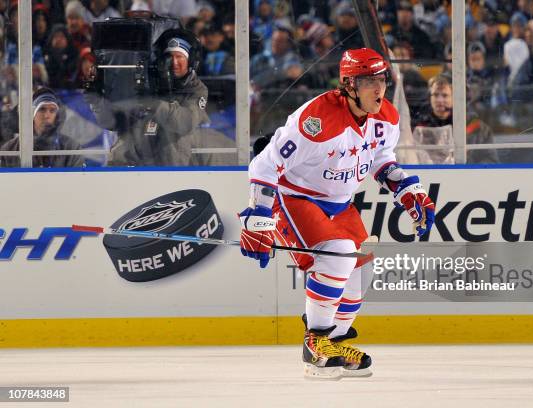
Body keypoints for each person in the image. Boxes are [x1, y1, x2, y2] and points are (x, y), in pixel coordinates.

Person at [238, 48, 436, 379]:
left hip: (340, 202)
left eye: (381, 79)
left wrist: (405, 189)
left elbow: (380, 158)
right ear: (348, 84)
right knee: (339, 253)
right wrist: (258, 215)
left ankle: (334, 343)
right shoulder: (315, 120)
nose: (379, 88)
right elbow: (265, 163)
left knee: (360, 268)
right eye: (369, 81)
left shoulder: (385, 116)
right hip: (295, 198)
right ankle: (314, 346)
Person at [89, 32, 210, 166]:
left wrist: (154, 103)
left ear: (191, 61)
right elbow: (111, 123)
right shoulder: (142, 80)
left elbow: (185, 123)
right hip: (125, 164)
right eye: (169, 57)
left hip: (168, 168)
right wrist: (97, 99)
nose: (174, 62)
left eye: (179, 56)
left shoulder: (197, 90)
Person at [411, 74, 499, 164]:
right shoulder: (419, 128)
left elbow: (490, 161)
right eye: (435, 95)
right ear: (429, 98)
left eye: (445, 95)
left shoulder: (477, 128)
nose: (439, 100)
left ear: (455, 98)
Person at [0, 87, 84, 167]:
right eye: (42, 109)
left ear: (57, 116)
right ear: (32, 114)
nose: (47, 115)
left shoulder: (72, 149)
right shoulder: (10, 150)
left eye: (52, 110)